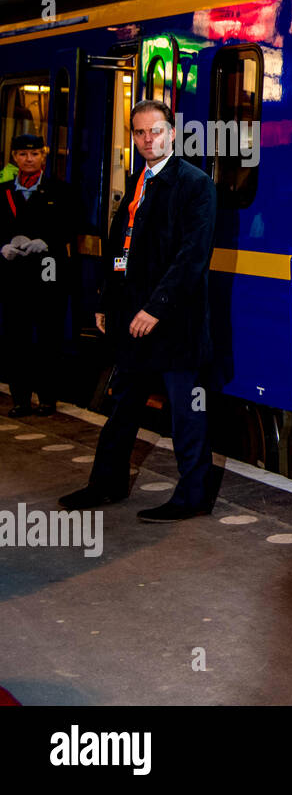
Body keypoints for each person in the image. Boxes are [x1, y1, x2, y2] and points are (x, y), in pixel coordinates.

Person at [58, 100, 220, 523]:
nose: (148, 140)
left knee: (187, 413)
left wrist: (155, 308)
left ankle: (194, 496)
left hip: (175, 322)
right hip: (132, 319)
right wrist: (104, 303)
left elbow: (191, 257)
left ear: (172, 132)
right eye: (140, 133)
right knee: (121, 408)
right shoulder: (137, 182)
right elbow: (120, 249)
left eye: (156, 131)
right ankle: (105, 484)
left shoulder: (195, 184)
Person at [0, 133, 78, 416]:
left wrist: (48, 242)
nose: (28, 159)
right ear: (14, 157)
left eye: (34, 154)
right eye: (22, 154)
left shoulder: (61, 191)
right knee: (16, 339)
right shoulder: (4, 192)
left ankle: (47, 398)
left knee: (48, 338)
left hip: (49, 277)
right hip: (14, 279)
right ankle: (20, 399)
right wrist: (4, 246)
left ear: (43, 156)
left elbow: (71, 227)